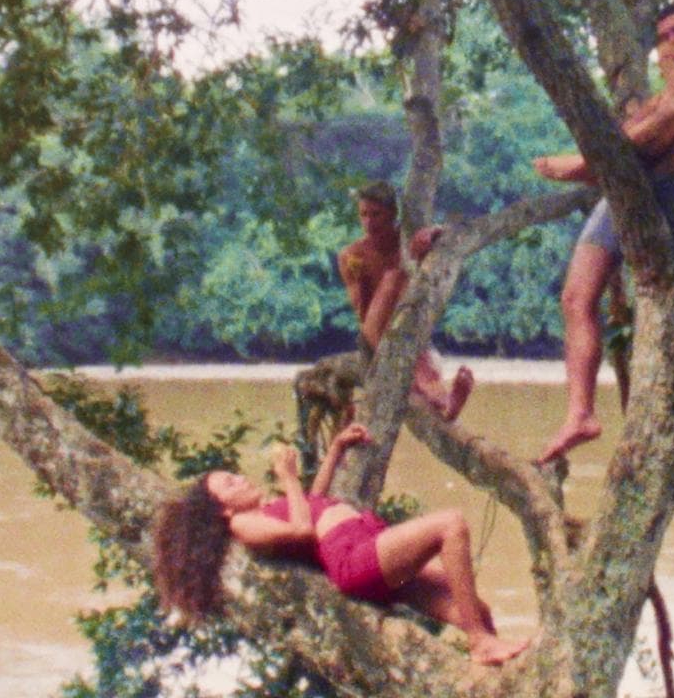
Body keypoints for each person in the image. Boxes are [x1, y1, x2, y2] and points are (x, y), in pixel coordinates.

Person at [532, 0, 674, 464]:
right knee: (574, 299)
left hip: (672, 189)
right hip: (631, 184)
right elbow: (639, 124)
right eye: (664, 37)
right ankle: (579, 414)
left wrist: (667, 67)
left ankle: (586, 168)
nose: (672, 43)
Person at [153, 423, 530, 666]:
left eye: (233, 475)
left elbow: (313, 507)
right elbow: (304, 532)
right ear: (221, 511)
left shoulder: (268, 508)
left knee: (476, 608)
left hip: (369, 545)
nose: (240, 479)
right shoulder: (245, 524)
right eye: (229, 485)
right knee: (451, 525)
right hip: (355, 561)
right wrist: (288, 479)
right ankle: (480, 644)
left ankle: (494, 672)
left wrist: (334, 450)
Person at [338, 181, 473, 421]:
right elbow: (362, 311)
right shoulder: (352, 255)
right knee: (394, 277)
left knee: (424, 366)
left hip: (410, 332)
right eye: (363, 215)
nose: (369, 222)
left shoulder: (409, 238)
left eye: (376, 214)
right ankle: (435, 394)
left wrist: (435, 232)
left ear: (392, 213)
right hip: (374, 337)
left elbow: (456, 236)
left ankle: (446, 406)